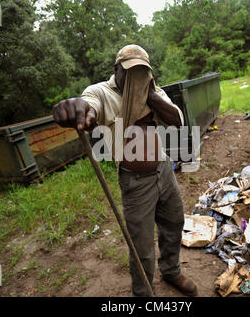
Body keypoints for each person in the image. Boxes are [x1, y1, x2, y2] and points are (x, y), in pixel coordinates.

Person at [53, 45, 198, 297]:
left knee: (174, 224)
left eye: (142, 73)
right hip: (136, 181)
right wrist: (82, 111)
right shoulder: (101, 92)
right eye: (130, 72)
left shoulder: (153, 91)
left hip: (163, 170)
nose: (135, 78)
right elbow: (90, 104)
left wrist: (150, 95)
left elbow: (177, 120)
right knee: (140, 247)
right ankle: (144, 293)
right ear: (116, 69)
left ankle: (171, 271)